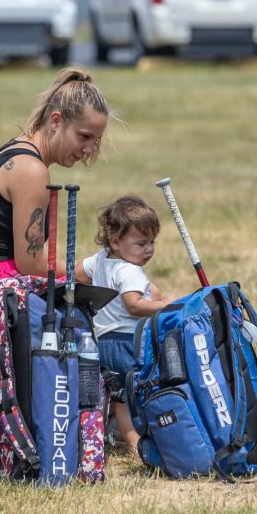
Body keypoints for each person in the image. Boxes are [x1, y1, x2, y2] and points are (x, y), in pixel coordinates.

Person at [0, 67, 109, 282]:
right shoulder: (31, 171)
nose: (88, 149)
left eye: (95, 140)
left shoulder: (19, 149)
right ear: (55, 121)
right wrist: (84, 270)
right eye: (84, 136)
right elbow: (30, 264)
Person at [77, 195, 176, 455]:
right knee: (135, 396)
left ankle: (112, 437)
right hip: (127, 343)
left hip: (102, 343)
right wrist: (164, 304)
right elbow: (133, 305)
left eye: (152, 242)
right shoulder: (129, 271)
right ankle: (137, 445)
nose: (149, 249)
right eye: (141, 243)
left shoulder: (99, 259)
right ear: (116, 242)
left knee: (118, 397)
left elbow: (75, 276)